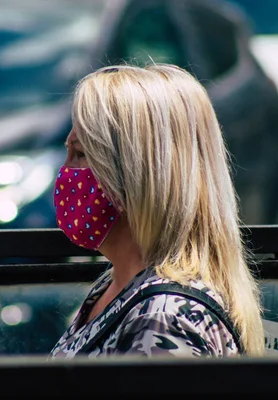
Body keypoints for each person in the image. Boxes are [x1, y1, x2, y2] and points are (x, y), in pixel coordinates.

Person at [50, 63, 264, 358]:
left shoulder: (164, 319)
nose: (65, 173)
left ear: (135, 174)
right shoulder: (116, 285)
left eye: (81, 154)